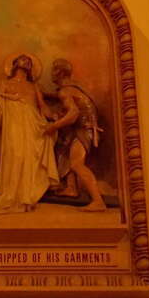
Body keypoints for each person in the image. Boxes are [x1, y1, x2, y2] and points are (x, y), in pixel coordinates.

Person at [0, 53, 59, 213]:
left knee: (29, 158)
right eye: (22, 60)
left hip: (32, 124)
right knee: (15, 155)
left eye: (28, 61)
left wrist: (54, 117)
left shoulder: (33, 86)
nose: (25, 62)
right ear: (14, 64)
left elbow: (42, 106)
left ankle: (26, 197)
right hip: (13, 124)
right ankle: (11, 196)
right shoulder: (6, 83)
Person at [43, 58, 106, 212]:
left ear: (59, 72)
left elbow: (74, 113)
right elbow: (59, 97)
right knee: (65, 153)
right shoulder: (74, 88)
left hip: (84, 130)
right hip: (83, 130)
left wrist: (53, 126)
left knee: (77, 164)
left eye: (53, 70)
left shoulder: (66, 91)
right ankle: (71, 189)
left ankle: (98, 201)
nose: (51, 73)